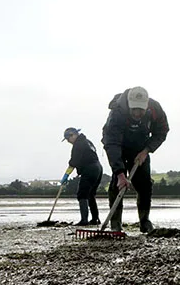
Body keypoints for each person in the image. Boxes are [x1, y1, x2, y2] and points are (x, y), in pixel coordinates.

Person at [101, 86, 169, 233]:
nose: (137, 113)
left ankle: (144, 221)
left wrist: (146, 150)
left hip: (140, 148)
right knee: (117, 184)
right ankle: (115, 224)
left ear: (147, 105)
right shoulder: (117, 113)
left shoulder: (155, 109)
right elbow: (111, 144)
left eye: (141, 110)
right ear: (129, 105)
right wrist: (120, 175)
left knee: (145, 184)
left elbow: (162, 131)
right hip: (119, 146)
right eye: (134, 110)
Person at [61, 127, 104, 226]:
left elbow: (73, 162)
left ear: (73, 135)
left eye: (68, 139)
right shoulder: (87, 142)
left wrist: (66, 175)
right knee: (91, 195)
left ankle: (84, 220)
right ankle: (95, 219)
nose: (68, 141)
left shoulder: (78, 144)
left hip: (89, 169)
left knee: (82, 194)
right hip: (98, 168)